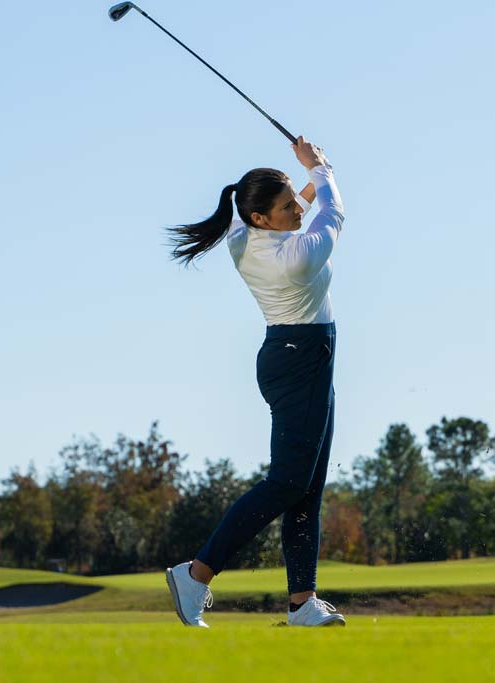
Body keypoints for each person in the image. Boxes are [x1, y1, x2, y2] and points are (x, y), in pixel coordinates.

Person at [162, 135, 346, 628]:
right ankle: (196, 574)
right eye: (286, 207)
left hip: (302, 357)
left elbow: (305, 210)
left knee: (306, 489)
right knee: (287, 483)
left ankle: (302, 603)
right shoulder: (295, 256)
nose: (297, 210)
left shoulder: (246, 237)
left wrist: (303, 182)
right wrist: (320, 171)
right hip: (300, 359)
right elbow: (333, 216)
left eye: (294, 202)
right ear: (261, 218)